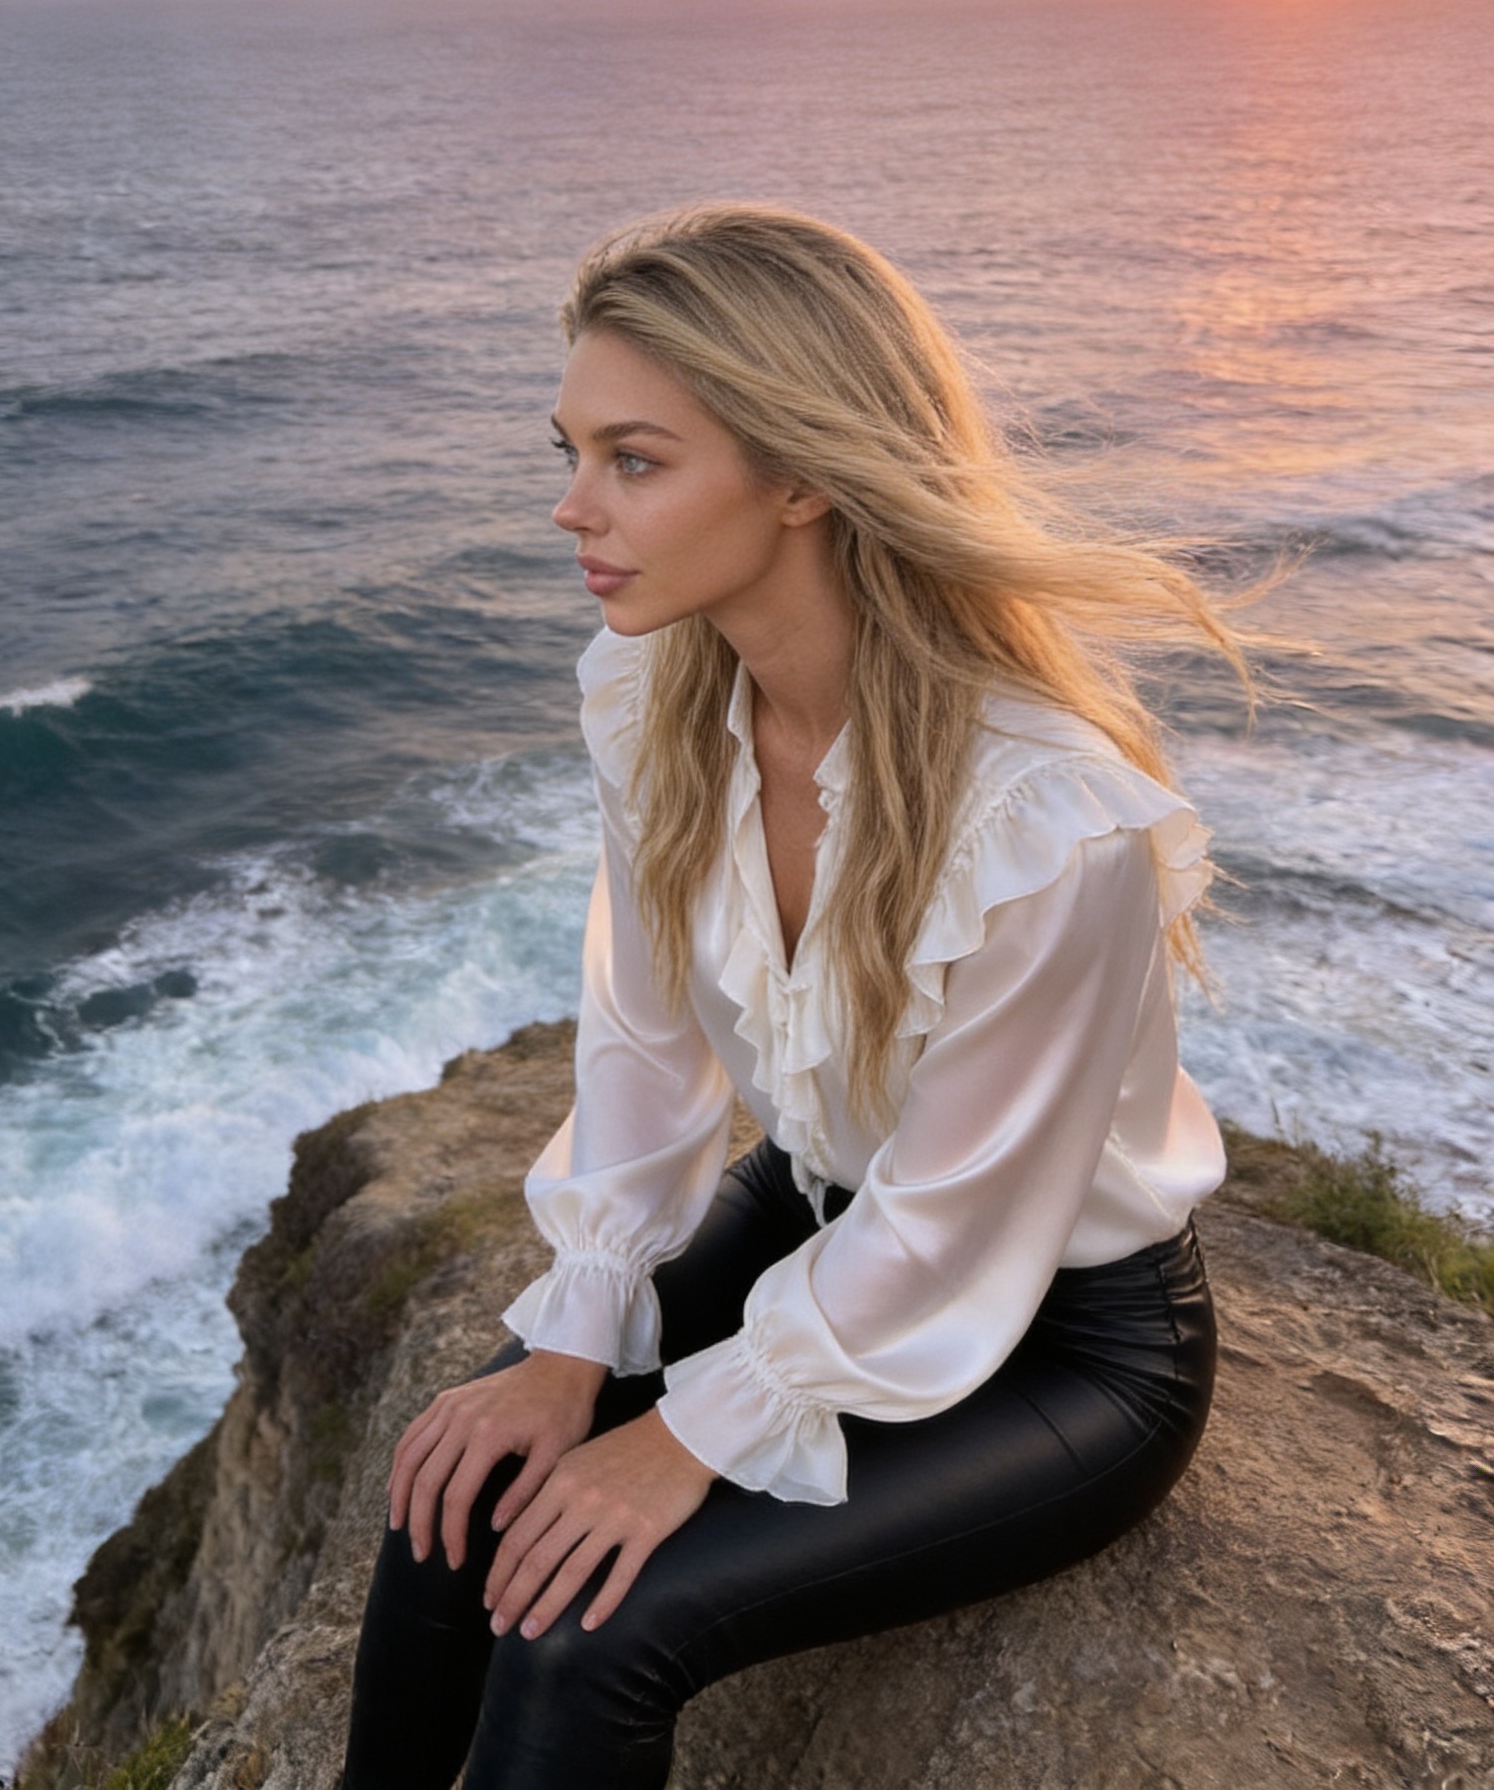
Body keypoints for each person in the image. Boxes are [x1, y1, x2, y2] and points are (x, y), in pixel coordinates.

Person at [340, 204, 1244, 1790]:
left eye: (636, 459)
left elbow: (956, 1227)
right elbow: (640, 1049)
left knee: (587, 1621)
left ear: (807, 474)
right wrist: (574, 1338)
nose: (572, 508)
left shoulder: (1047, 822)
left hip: (1069, 1346)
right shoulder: (653, 698)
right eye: (571, 450)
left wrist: (680, 1435)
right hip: (823, 1213)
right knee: (458, 1497)